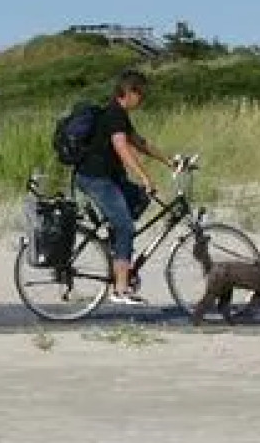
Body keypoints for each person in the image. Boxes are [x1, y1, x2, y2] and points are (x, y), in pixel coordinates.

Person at [73, 69, 181, 305]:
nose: (143, 100)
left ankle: (118, 249)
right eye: (141, 95)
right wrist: (145, 177)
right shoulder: (114, 114)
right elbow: (122, 148)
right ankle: (120, 289)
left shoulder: (119, 114)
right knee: (125, 227)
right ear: (129, 92)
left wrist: (170, 161)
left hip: (109, 178)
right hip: (96, 179)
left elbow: (140, 143)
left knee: (140, 199)